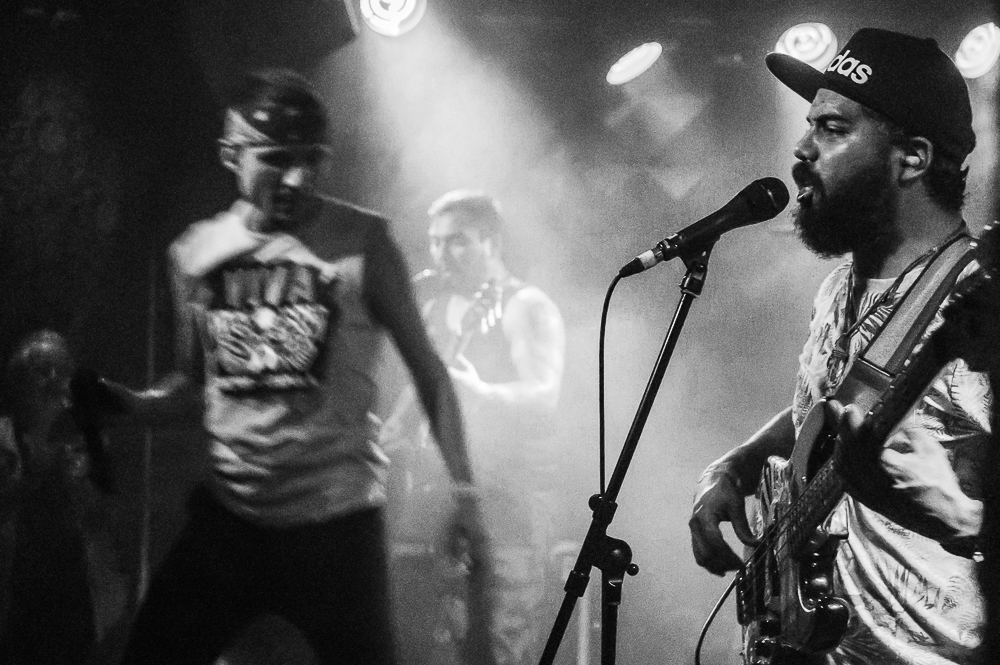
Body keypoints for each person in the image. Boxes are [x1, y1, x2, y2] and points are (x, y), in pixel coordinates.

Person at [81, 68, 486, 665]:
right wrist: (126, 403)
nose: (298, 178)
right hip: (232, 518)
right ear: (231, 154)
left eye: (312, 159)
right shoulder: (195, 254)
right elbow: (194, 388)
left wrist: (465, 492)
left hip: (336, 524)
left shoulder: (363, 242)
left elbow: (429, 372)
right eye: (275, 159)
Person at [687, 28, 992, 664]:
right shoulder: (837, 288)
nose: (801, 149)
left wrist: (957, 516)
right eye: (809, 125)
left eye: (831, 128)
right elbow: (818, 416)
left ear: (911, 159)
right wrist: (735, 466)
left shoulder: (980, 303)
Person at [395, 190, 566, 665]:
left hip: (509, 498)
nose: (442, 254)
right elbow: (421, 393)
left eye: (457, 241)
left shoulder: (526, 305)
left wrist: (481, 392)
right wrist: (391, 432)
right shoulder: (435, 309)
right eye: (435, 242)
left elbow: (544, 398)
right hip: (445, 494)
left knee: (501, 640)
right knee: (440, 643)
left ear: (491, 242)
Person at [0, 330, 97, 664]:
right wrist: (37, 473)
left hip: (67, 590)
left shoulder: (76, 439)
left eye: (60, 371)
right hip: (17, 588)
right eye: (41, 371)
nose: (54, 381)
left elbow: (95, 515)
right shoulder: (5, 437)